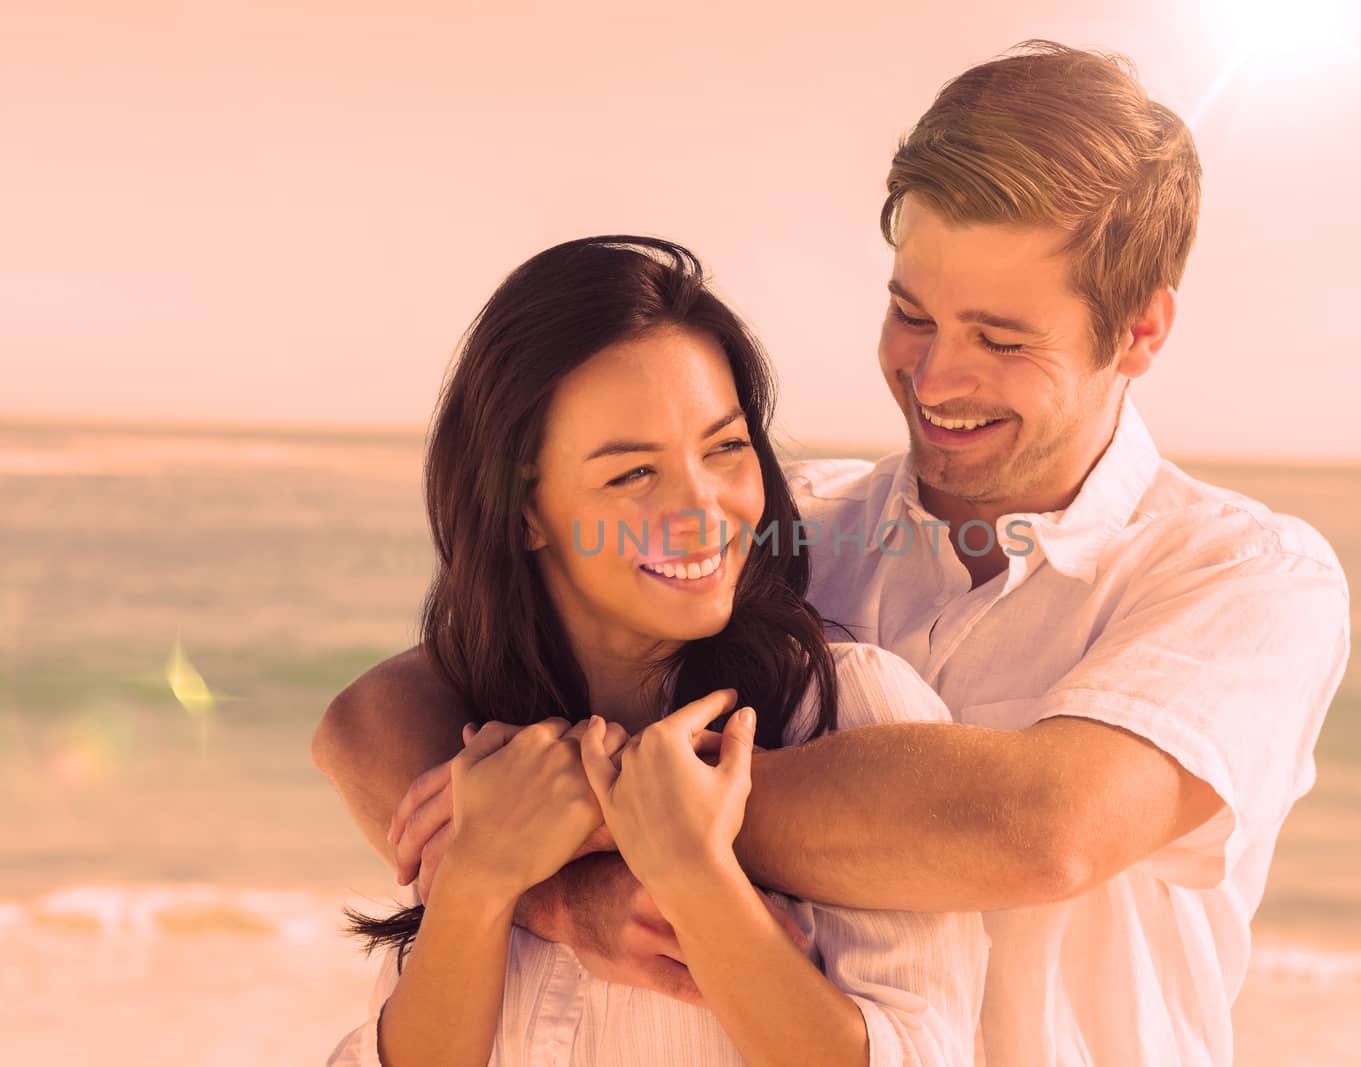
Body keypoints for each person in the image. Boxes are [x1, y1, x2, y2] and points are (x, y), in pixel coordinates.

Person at [315, 41, 1350, 1066]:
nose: (936, 377)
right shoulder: (774, 528)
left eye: (999, 339)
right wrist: (540, 886)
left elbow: (1040, 829)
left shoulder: (1244, 579)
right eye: (911, 312)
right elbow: (379, 713)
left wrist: (600, 810)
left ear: (1138, 332)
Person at [323, 236, 987, 1066]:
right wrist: (481, 880)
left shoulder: (849, 711)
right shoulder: (481, 756)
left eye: (725, 447)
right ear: (526, 508)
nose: (703, 508)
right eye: (634, 473)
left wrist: (695, 874)